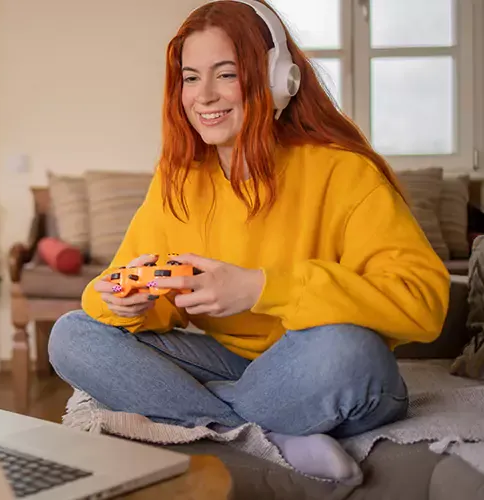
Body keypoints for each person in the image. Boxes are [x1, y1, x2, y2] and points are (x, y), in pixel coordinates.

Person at [47, 0, 450, 486]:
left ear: (278, 79)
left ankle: (199, 416)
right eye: (191, 78)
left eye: (226, 74)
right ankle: (270, 433)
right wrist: (127, 302)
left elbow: (424, 301)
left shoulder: (344, 172)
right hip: (236, 366)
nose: (205, 95)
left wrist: (260, 288)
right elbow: (112, 291)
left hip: (319, 361)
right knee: (73, 334)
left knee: (350, 350)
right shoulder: (180, 180)